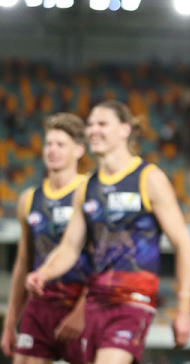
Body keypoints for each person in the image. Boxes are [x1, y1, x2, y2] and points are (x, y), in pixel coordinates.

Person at [26, 100, 190, 364]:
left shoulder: (148, 178)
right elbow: (70, 247)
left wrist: (184, 309)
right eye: (90, 124)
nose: (93, 130)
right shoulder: (87, 187)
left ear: (125, 130)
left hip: (133, 299)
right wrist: (43, 273)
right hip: (95, 301)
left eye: (102, 124)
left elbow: (183, 245)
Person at [3, 113, 89, 364]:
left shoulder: (90, 191)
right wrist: (10, 323)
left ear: (79, 150)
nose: (52, 150)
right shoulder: (29, 199)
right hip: (41, 303)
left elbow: (103, 257)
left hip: (80, 301)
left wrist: (81, 312)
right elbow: (23, 263)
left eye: (61, 145)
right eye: (48, 143)